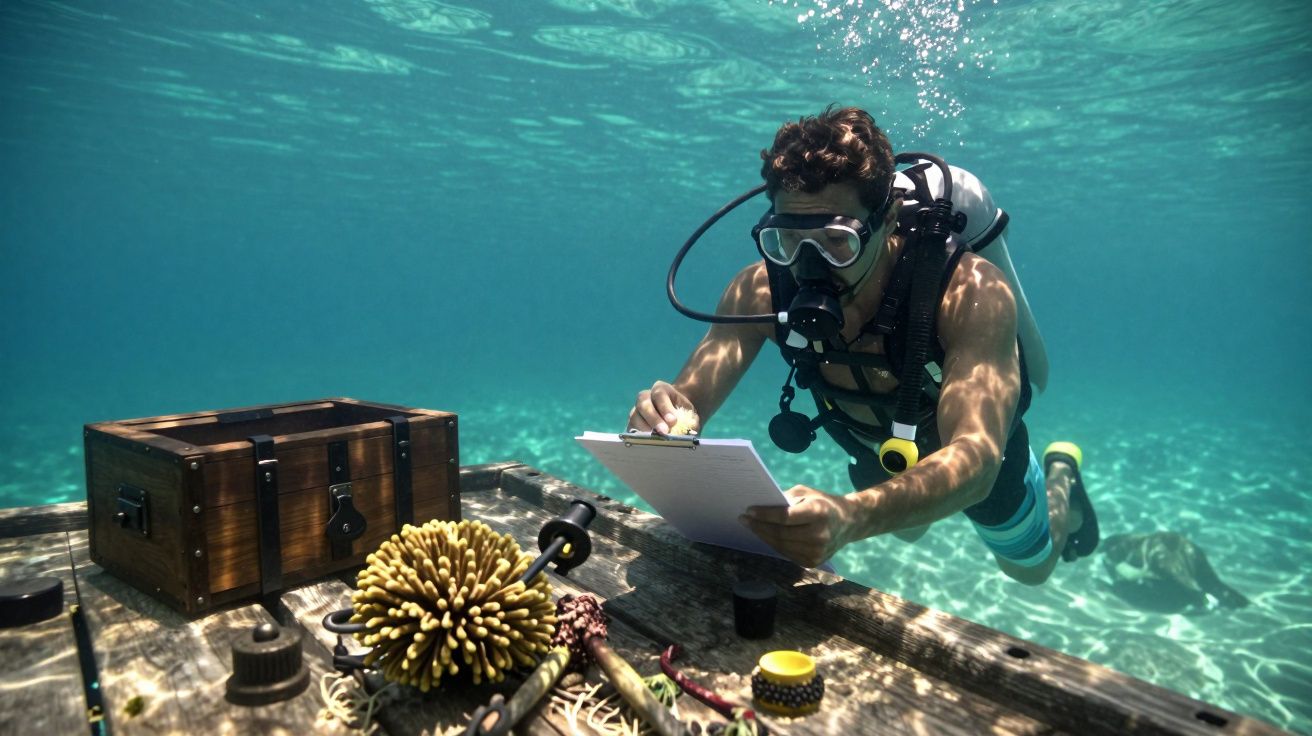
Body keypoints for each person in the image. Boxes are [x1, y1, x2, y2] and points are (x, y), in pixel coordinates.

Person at [627, 105, 1098, 584]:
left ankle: (1062, 477)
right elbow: (689, 400)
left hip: (970, 458)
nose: (808, 265)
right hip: (875, 449)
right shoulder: (759, 291)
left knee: (1031, 569)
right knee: (908, 531)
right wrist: (663, 416)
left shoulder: (972, 293)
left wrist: (855, 516)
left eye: (837, 240)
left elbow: (975, 459)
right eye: (787, 239)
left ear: (888, 218)